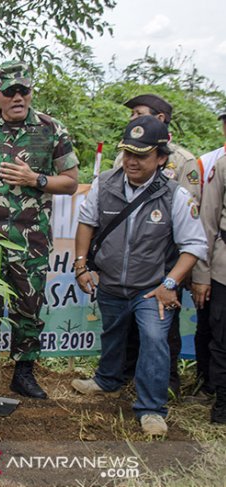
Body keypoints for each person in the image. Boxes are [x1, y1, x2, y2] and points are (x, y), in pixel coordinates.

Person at [72, 116, 207, 436]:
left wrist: (170, 284)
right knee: (113, 333)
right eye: (127, 153)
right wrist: (81, 264)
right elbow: (87, 223)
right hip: (111, 281)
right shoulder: (105, 183)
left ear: (161, 158)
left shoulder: (175, 195)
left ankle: (151, 409)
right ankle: (107, 380)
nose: (131, 161)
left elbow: (194, 245)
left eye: (142, 155)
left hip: (152, 289)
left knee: (155, 340)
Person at [0, 60, 79, 399]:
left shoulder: (52, 130)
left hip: (32, 240)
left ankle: (23, 373)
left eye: (23, 90)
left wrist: (35, 179)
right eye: (9, 91)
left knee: (29, 308)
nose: (18, 97)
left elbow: (70, 183)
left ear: (30, 91)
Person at [113, 94, 200, 396]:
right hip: (129, 258)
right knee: (128, 329)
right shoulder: (124, 154)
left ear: (160, 118)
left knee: (161, 326)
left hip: (164, 259)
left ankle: (165, 384)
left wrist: (179, 274)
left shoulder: (184, 161)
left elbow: (192, 212)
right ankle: (126, 379)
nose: (133, 119)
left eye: (139, 113)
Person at [191, 111, 226, 399]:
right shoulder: (217, 164)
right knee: (217, 334)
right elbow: (208, 223)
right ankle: (216, 396)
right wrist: (202, 275)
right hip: (222, 267)